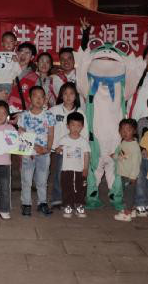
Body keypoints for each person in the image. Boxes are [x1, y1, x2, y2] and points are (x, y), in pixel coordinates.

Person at [18, 86, 56, 217]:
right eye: (35, 96)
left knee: (42, 180)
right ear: (30, 98)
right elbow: (22, 135)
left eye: (41, 97)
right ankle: (26, 203)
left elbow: (51, 134)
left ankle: (42, 203)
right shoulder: (24, 116)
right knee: (26, 180)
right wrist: (34, 148)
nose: (39, 99)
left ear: (45, 99)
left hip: (44, 154)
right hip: (28, 153)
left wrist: (47, 149)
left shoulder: (49, 115)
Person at [50, 82, 87, 209]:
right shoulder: (54, 110)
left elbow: (85, 132)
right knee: (59, 175)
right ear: (61, 95)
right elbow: (47, 126)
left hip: (75, 151)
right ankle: (57, 199)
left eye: (71, 93)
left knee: (74, 176)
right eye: (65, 93)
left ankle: (73, 199)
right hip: (60, 150)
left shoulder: (80, 112)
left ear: (76, 96)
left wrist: (83, 150)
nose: (68, 96)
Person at [55, 112, 90, 219]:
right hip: (66, 170)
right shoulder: (64, 139)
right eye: (73, 125)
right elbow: (58, 150)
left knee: (81, 188)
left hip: (79, 170)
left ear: (82, 127)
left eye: (78, 125)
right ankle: (68, 205)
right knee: (67, 188)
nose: (75, 128)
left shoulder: (83, 141)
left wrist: (85, 168)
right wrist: (58, 150)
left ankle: (79, 205)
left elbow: (86, 155)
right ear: (68, 126)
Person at [113, 119, 141, 222]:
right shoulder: (123, 142)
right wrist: (115, 156)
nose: (125, 133)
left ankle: (127, 214)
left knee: (129, 194)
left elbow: (136, 163)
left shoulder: (135, 146)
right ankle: (131, 210)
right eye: (122, 130)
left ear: (134, 131)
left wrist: (133, 176)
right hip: (124, 173)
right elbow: (122, 155)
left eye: (128, 130)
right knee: (127, 193)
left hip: (130, 176)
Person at [8, 42, 38, 113]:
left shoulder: (35, 78)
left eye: (27, 53)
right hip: (3, 112)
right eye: (21, 51)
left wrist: (25, 114)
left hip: (22, 114)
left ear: (32, 57)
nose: (23, 55)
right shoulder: (6, 70)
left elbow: (36, 101)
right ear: (17, 53)